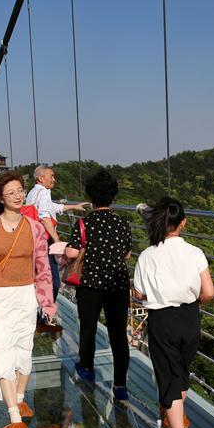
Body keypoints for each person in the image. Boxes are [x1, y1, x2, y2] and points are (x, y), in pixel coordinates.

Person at [132, 196, 214, 428]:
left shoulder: (147, 255)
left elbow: (140, 294)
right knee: (180, 371)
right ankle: (177, 416)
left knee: (168, 378)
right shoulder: (195, 252)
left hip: (162, 320)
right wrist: (193, 304)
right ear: (184, 223)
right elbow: (209, 292)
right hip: (190, 317)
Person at [0, 171, 56, 428]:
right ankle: (14, 417)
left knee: (24, 350)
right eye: (12, 192)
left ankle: (19, 399)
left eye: (21, 190)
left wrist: (47, 302)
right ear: (1, 198)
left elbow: (43, 268)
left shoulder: (34, 228)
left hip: (26, 295)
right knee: (1, 352)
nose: (19, 195)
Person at [64, 169, 133, 402]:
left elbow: (72, 252)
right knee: (118, 334)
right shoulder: (123, 224)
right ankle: (121, 385)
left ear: (91, 198)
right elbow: (126, 255)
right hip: (117, 285)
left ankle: (86, 369)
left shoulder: (84, 223)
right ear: (113, 197)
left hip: (90, 285)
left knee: (88, 328)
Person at [24, 165, 88, 315]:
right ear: (40, 178)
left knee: (42, 276)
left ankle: (40, 311)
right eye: (51, 176)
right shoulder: (44, 192)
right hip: (44, 241)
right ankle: (46, 314)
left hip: (34, 240)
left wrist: (73, 206)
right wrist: (57, 239)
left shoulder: (34, 192)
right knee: (54, 281)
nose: (54, 179)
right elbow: (45, 217)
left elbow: (52, 207)